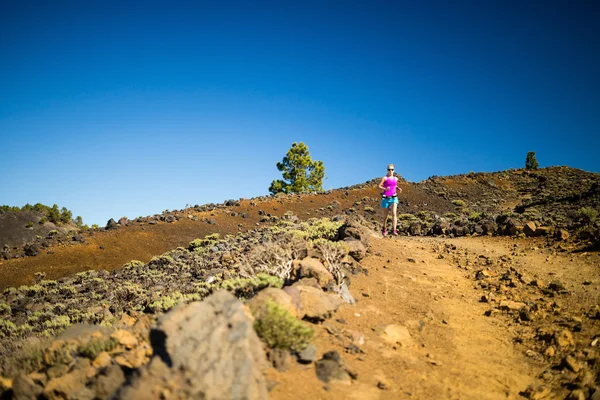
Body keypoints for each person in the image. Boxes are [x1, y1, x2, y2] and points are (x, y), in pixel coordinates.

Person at [378, 164, 401, 236]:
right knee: (385, 216)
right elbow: (379, 186)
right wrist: (385, 189)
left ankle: (394, 230)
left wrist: (398, 188)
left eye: (392, 169)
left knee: (394, 213)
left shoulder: (396, 179)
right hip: (386, 198)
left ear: (394, 170)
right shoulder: (385, 178)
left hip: (394, 197)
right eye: (389, 169)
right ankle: (384, 228)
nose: (390, 171)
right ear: (387, 170)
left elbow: (394, 185)